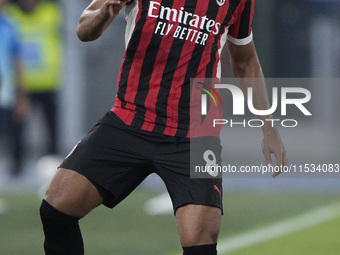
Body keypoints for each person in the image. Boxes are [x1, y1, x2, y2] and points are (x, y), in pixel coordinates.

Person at [40, 0, 287, 254]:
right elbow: (84, 30)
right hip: (130, 118)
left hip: (194, 133)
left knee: (199, 242)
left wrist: (268, 127)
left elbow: (245, 61)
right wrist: (103, 14)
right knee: (56, 208)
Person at [4, 0, 62, 175]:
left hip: (48, 82)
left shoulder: (51, 12)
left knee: (51, 127)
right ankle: (16, 168)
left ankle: (55, 166)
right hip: (23, 83)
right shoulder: (11, 15)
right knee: (18, 127)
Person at [0, 0, 28, 175]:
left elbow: (17, 62)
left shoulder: (10, 26)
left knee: (4, 137)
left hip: (4, 93)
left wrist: (21, 96)